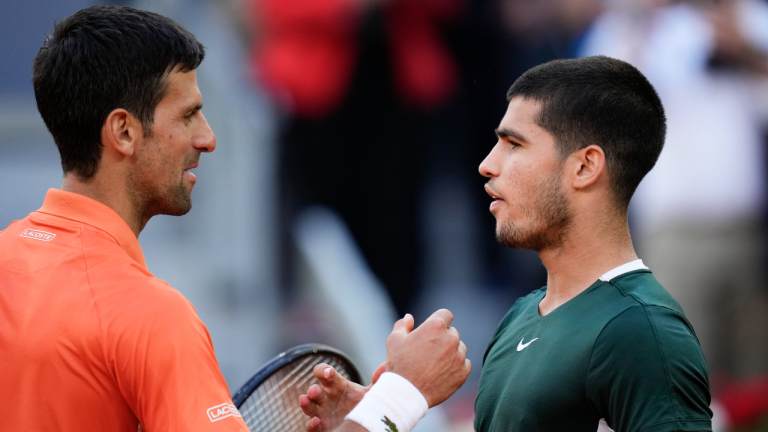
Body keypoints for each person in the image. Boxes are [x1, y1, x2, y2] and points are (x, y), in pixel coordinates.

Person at [0, 5, 470, 431]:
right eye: (189, 116)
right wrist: (400, 395)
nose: (208, 139)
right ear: (124, 131)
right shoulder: (151, 317)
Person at [299, 56, 713, 432]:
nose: (488, 164)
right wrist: (382, 418)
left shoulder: (643, 332)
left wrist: (390, 408)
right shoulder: (521, 315)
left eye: (514, 145)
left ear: (585, 167)